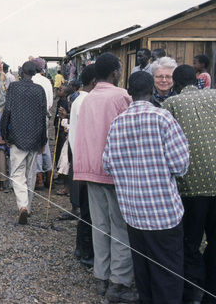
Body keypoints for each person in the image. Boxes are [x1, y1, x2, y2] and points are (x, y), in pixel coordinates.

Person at [103, 72, 189, 304]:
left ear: (129, 93)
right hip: (164, 213)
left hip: (133, 212)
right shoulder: (164, 118)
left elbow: (108, 164)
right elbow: (180, 165)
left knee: (143, 273)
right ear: (152, 90)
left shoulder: (117, 123)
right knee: (168, 274)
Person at [73, 52, 136, 302]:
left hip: (89, 170)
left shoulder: (87, 99)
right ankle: (119, 282)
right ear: (116, 72)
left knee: (100, 226)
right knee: (120, 228)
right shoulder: (121, 96)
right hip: (115, 171)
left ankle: (101, 276)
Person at [163, 64, 216, 303]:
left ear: (175, 84)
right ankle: (211, 291)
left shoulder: (170, 105)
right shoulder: (214, 96)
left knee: (190, 242)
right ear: (197, 81)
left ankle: (193, 289)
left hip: (191, 187)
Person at [0, 61, 47, 224]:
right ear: (34, 73)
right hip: (34, 137)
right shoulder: (40, 90)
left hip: (17, 137)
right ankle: (28, 206)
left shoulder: (14, 88)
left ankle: (23, 206)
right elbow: (43, 117)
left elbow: (7, 111)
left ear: (21, 72)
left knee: (17, 173)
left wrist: (4, 134)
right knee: (30, 173)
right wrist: (43, 140)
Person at [68, 64, 97, 267]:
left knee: (87, 210)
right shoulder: (87, 101)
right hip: (87, 162)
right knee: (89, 211)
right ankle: (86, 252)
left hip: (81, 159)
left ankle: (81, 248)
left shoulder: (79, 100)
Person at [30, 57, 53, 189]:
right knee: (45, 145)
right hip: (45, 115)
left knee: (36, 147)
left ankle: (39, 179)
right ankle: (49, 178)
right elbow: (49, 103)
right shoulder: (47, 81)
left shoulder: (32, 80)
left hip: (33, 116)